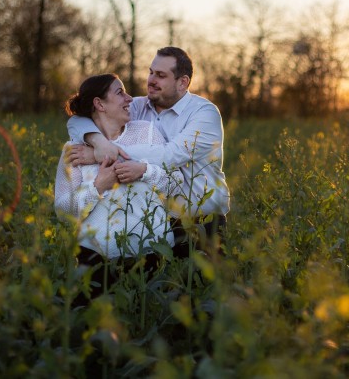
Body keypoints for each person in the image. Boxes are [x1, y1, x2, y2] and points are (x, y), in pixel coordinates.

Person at [66, 47, 230, 257]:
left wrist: (106, 153)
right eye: (151, 72)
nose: (151, 80)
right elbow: (78, 119)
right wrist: (98, 142)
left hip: (202, 222)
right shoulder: (137, 106)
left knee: (203, 286)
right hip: (159, 225)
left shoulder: (204, 113)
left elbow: (169, 156)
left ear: (183, 82)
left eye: (161, 75)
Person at [54, 73, 182, 296]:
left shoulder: (147, 131)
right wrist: (98, 186)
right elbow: (63, 209)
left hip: (152, 252)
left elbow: (177, 183)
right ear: (99, 104)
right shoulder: (74, 150)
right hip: (96, 258)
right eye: (120, 92)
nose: (129, 98)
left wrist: (144, 171)